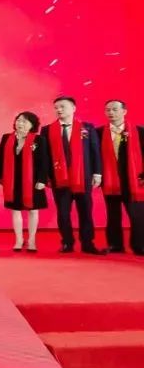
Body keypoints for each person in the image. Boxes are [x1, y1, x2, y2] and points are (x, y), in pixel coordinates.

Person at [44, 96, 105, 254]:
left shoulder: (87, 128)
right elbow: (46, 156)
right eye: (56, 107)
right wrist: (46, 176)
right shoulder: (47, 130)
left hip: (83, 177)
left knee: (85, 211)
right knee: (63, 213)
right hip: (59, 178)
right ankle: (67, 242)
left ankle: (87, 243)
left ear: (73, 108)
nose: (59, 110)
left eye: (62, 106)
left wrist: (97, 173)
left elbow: (95, 152)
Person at [0, 112, 50, 253]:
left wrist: (42, 180)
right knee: (15, 210)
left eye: (25, 121)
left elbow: (44, 162)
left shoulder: (39, 140)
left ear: (32, 125)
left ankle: (32, 240)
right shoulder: (6, 138)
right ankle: (19, 240)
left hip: (33, 181)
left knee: (33, 210)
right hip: (12, 180)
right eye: (18, 120)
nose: (20, 123)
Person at [99, 100, 144, 255]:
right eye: (108, 110)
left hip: (134, 180)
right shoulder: (99, 132)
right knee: (113, 215)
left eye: (115, 109)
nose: (111, 113)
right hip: (110, 180)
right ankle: (115, 245)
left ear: (124, 111)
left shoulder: (139, 131)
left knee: (138, 215)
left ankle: (139, 245)